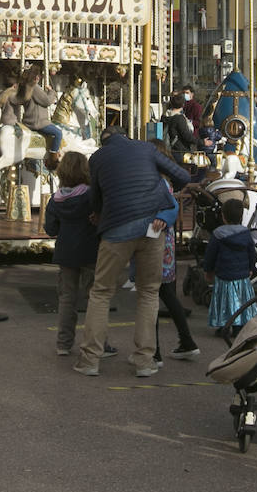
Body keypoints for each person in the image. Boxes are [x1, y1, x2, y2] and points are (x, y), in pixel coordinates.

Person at [76, 126, 191, 377]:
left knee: (101, 292)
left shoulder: (97, 158)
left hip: (117, 228)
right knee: (149, 292)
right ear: (126, 136)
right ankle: (144, 361)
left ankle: (90, 360)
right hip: (153, 227)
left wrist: (100, 211)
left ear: (104, 142)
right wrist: (160, 191)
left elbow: (95, 196)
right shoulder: (147, 149)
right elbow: (182, 175)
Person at [43, 151, 107, 358]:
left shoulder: (56, 200)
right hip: (90, 250)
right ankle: (98, 343)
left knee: (67, 299)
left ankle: (63, 343)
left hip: (66, 252)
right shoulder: (91, 196)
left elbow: (51, 229)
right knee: (94, 299)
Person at [147, 139, 199, 362]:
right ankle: (186, 340)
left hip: (155, 242)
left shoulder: (154, 183)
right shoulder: (166, 182)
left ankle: (154, 351)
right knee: (167, 295)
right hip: (166, 245)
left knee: (150, 297)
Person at [204, 198, 257, 333]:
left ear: (223, 216)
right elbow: (252, 253)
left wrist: (208, 270)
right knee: (240, 300)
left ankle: (224, 324)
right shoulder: (246, 233)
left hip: (224, 274)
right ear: (241, 216)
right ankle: (239, 325)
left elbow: (210, 255)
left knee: (224, 300)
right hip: (241, 274)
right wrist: (251, 268)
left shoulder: (218, 234)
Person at [6, 65, 61, 167]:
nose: (39, 77)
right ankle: (53, 157)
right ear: (36, 77)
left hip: (28, 121)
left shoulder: (25, 87)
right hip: (38, 122)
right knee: (58, 133)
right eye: (38, 76)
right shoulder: (34, 88)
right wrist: (51, 91)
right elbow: (47, 101)